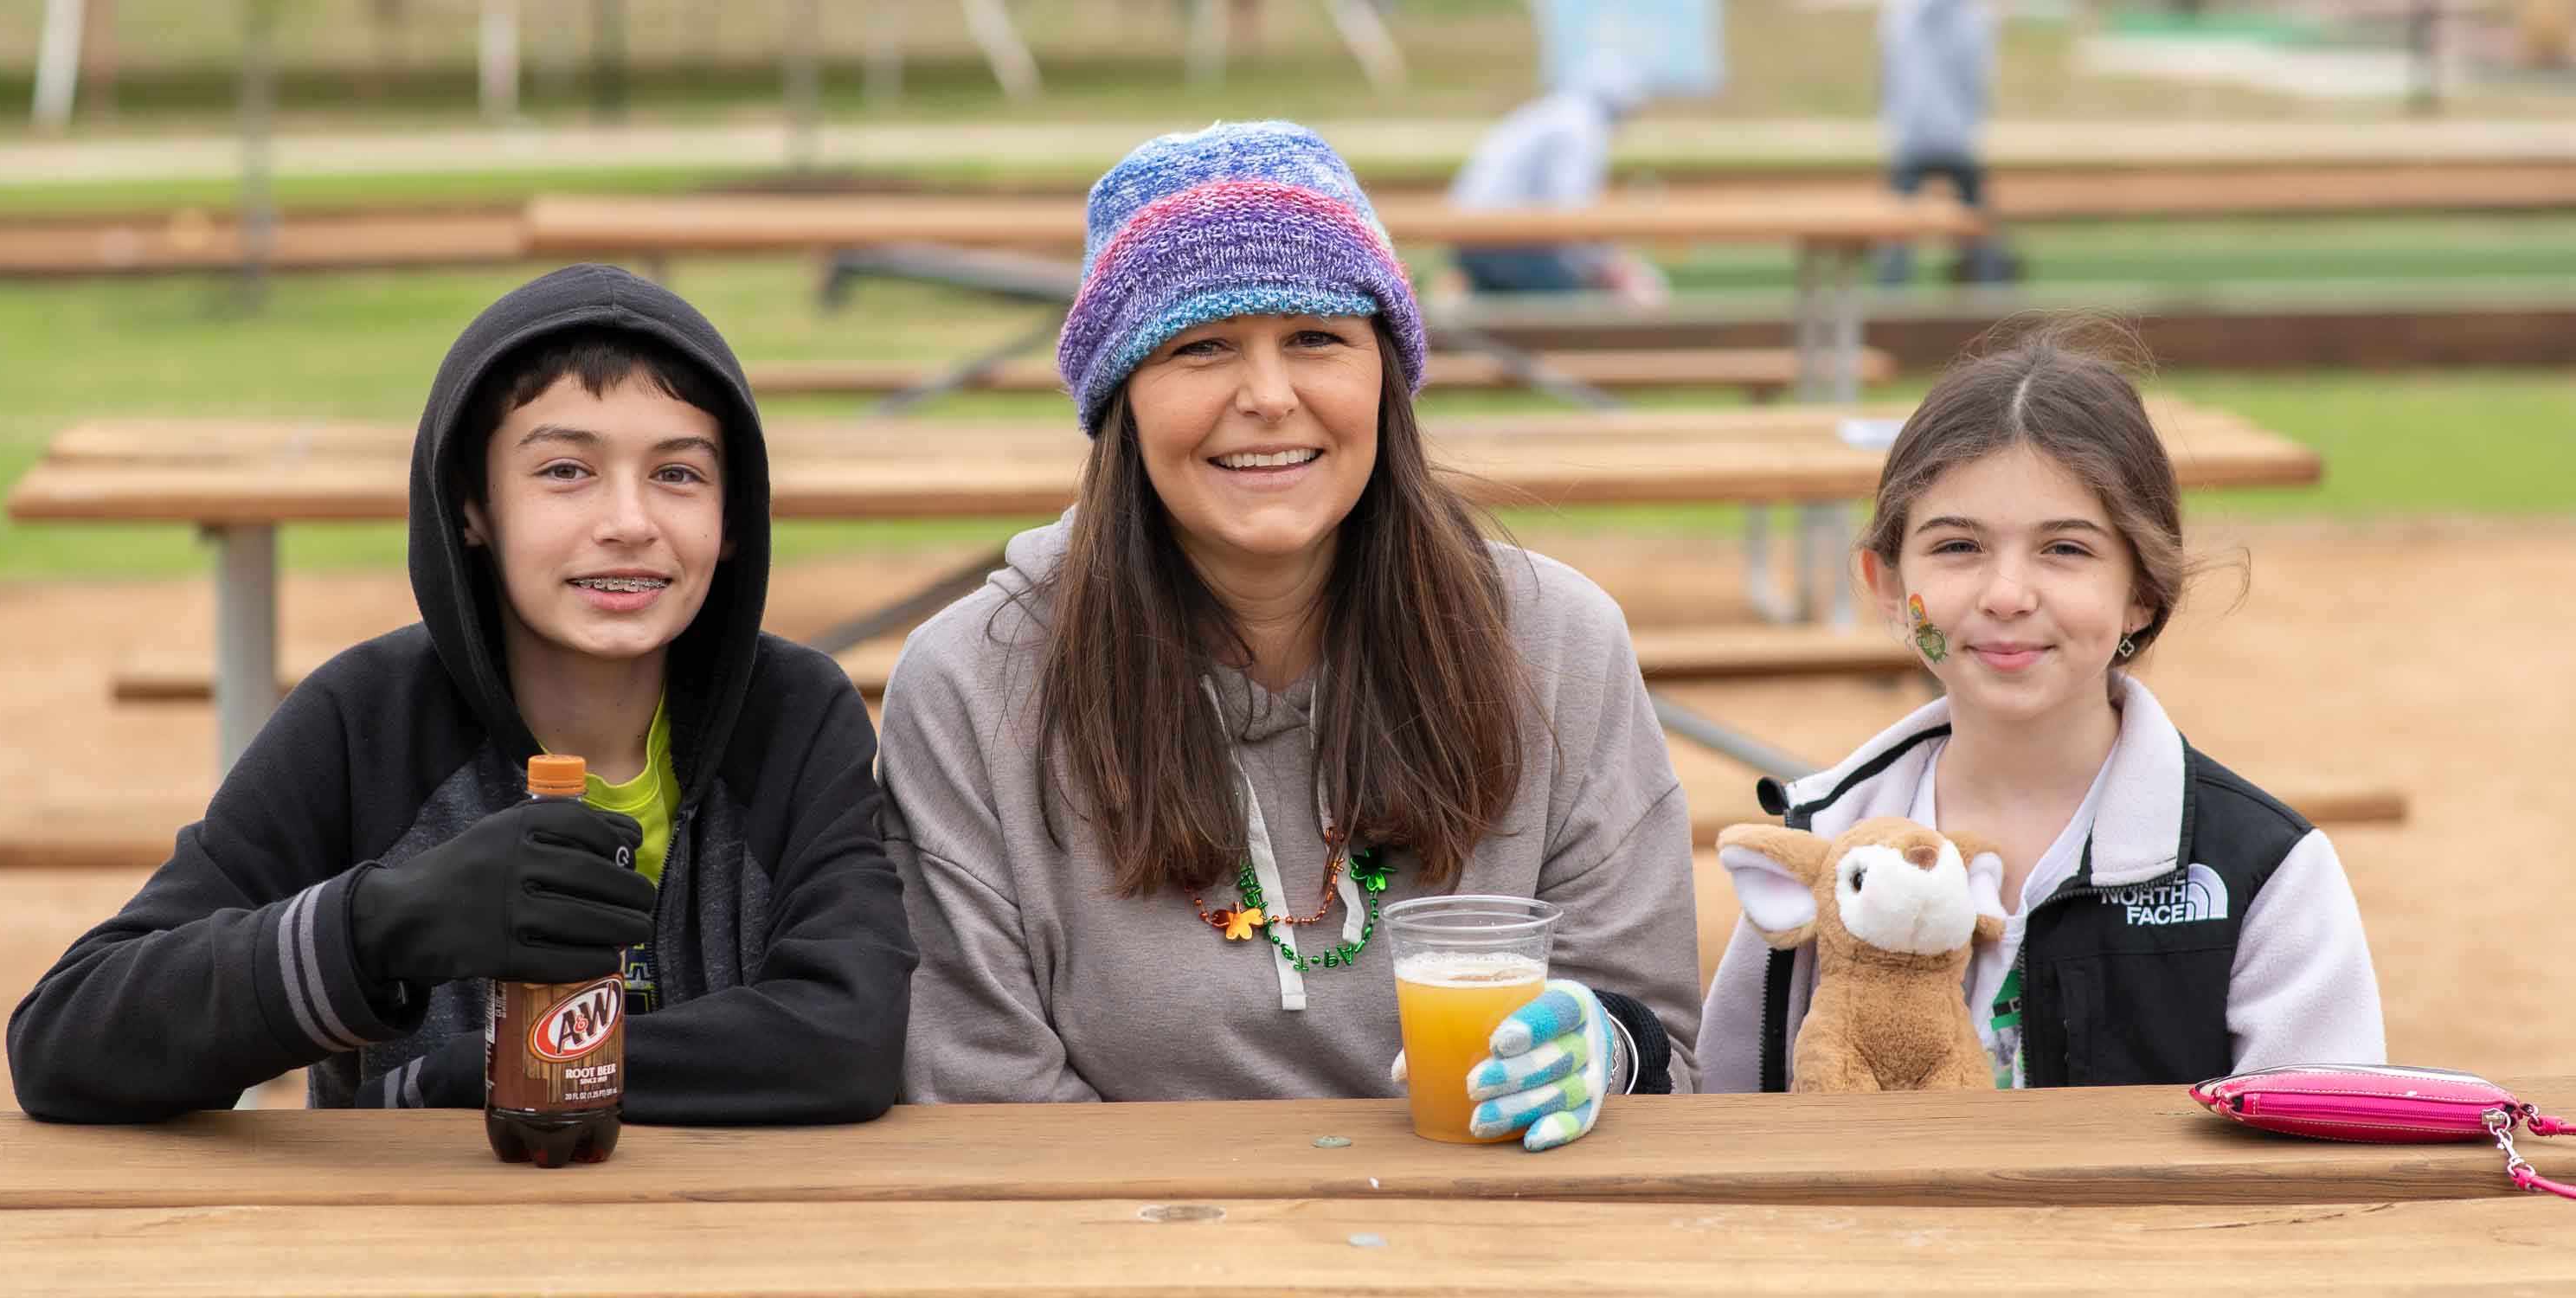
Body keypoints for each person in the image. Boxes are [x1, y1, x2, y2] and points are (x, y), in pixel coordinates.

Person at [881, 121, 1701, 1150]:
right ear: (1120, 400)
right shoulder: (971, 683)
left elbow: (1654, 1036)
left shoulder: (1557, 643)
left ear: (1384, 377)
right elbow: (977, 1087)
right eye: (1200, 346)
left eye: (1316, 338)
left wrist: (1605, 1051)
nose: (1268, 398)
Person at [8, 265, 916, 1123]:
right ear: (473, 507)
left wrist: (463, 1078)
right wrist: (383, 927)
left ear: (733, 521)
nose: (630, 523)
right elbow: (66, 1038)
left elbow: (849, 1032)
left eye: (678, 474)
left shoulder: (795, 716)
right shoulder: (364, 723)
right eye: (565, 471)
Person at [1696, 323, 2383, 1092]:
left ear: (2142, 591)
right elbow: (1731, 1113)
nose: (2007, 595)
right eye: (1958, 546)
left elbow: (2326, 1169)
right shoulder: (1823, 842)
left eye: (2066, 549)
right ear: (1888, 586)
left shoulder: (2264, 871)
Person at [1445, 58, 1667, 305]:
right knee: (1568, 308)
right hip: (1502, 240)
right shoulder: (1579, 125)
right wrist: (1613, 268)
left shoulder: (1559, 112)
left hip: (1475, 234)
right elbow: (1570, 213)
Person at [1876, 0, 2010, 286]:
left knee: (1897, 234)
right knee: (1978, 227)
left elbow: (1888, 75)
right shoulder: (1973, 19)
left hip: (1912, 136)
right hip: (1956, 137)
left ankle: (1888, 301)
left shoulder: (1900, 16)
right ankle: (1992, 298)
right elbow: (1977, 81)